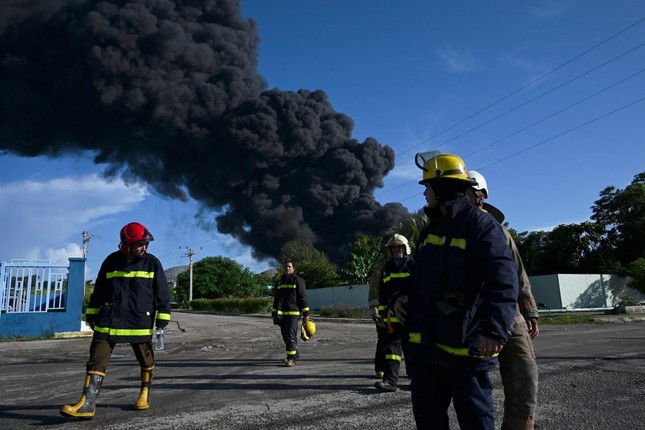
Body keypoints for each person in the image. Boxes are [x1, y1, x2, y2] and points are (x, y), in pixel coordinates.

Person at [394, 152, 519, 430]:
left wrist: (493, 328)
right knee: (428, 419)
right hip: (427, 350)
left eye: (428, 187)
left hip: (465, 349)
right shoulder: (429, 231)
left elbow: (504, 279)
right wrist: (402, 296)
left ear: (442, 187)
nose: (425, 193)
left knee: (476, 420)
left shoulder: (481, 226)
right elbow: (418, 275)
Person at [60, 222, 171, 419]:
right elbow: (100, 290)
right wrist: (91, 314)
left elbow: (162, 292)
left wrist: (162, 320)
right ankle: (88, 404)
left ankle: (144, 395)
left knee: (146, 360)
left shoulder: (152, 263)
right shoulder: (111, 261)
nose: (144, 247)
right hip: (109, 321)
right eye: (140, 244)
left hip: (139, 321)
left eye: (146, 244)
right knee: (96, 358)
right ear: (127, 244)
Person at [468, 170, 540, 430]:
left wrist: (529, 312)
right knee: (470, 387)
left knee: (525, 374)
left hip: (511, 316)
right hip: (474, 315)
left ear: (481, 197)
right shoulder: (454, 232)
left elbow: (518, 273)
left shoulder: (499, 232)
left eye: (468, 193)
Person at [371, 234, 414, 392]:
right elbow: (382, 295)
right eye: (393, 247)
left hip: (411, 316)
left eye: (399, 247)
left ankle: (416, 380)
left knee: (412, 349)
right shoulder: (386, 269)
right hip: (392, 317)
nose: (397, 250)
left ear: (406, 248)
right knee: (391, 350)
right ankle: (390, 381)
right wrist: (382, 312)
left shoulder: (413, 265)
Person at [272, 260, 311, 367]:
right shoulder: (280, 282)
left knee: (290, 336)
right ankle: (295, 353)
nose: (287, 268)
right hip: (282, 315)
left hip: (293, 314)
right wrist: (274, 315)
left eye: (289, 267)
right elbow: (276, 300)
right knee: (285, 337)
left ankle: (291, 359)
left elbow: (303, 298)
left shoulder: (298, 281)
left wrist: (306, 314)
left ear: (294, 268)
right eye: (285, 267)